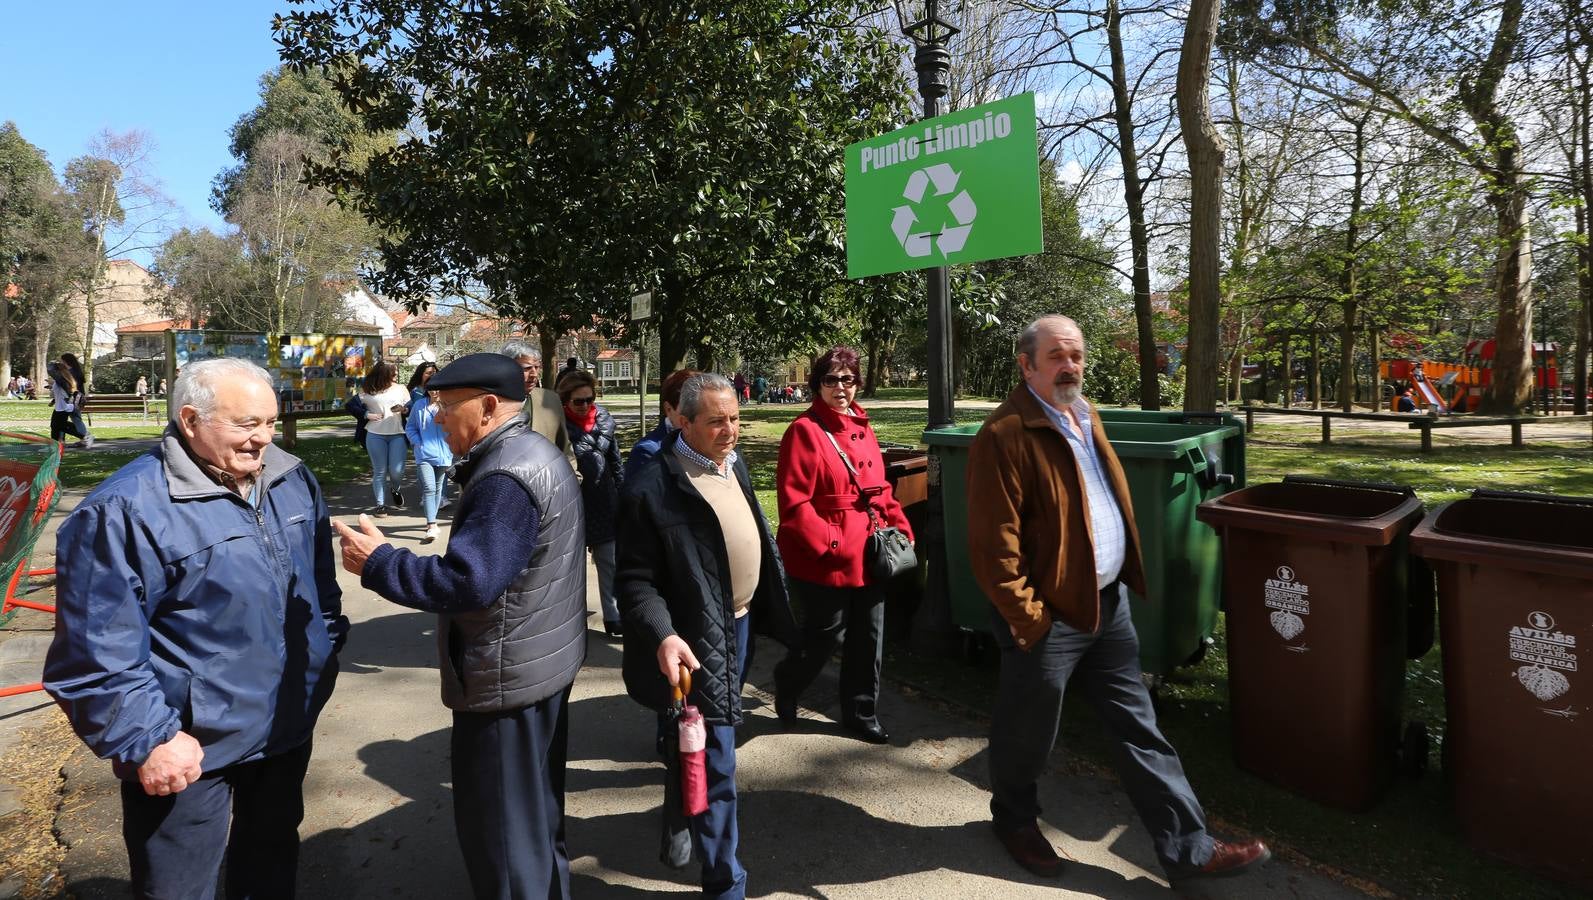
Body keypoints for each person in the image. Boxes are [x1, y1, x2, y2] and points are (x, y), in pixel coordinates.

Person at [966, 315, 1270, 886]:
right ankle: (1012, 819)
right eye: (1056, 356)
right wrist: (1031, 619)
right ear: (1026, 365)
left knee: (1139, 728)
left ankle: (1189, 848)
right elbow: (993, 549)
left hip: (1108, 606)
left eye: (1076, 355)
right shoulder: (1003, 434)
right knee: (1027, 731)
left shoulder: (1085, 414)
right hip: (1048, 617)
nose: (1070, 366)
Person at [44, 357, 348, 899]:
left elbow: (319, 592)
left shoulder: (291, 478)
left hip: (284, 727)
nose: (262, 440)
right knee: (179, 887)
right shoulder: (123, 510)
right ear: (190, 420)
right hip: (187, 748)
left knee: (271, 867)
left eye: (270, 422)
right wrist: (148, 738)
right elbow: (94, 652)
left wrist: (322, 661)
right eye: (246, 425)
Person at [333, 352, 586, 900]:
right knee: (535, 825)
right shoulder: (534, 452)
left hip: (505, 682)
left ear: (490, 407)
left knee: (503, 842)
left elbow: (468, 582)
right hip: (537, 668)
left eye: (446, 405)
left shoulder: (505, 477)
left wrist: (379, 562)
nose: (435, 416)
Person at [617, 372, 799, 900]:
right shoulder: (651, 486)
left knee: (696, 742)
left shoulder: (733, 464)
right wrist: (664, 633)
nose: (731, 430)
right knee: (716, 757)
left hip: (738, 627)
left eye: (736, 418)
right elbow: (635, 581)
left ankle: (680, 812)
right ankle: (725, 883)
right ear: (682, 420)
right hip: (695, 643)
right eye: (716, 421)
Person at [772, 346, 912, 744]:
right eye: (830, 379)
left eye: (848, 379)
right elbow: (794, 502)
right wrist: (831, 543)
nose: (840, 387)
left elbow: (879, 488)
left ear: (857, 384)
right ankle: (789, 679)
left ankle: (861, 711)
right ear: (818, 384)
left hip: (869, 548)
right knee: (825, 635)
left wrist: (900, 527)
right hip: (825, 552)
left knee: (869, 634)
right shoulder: (804, 430)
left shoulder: (864, 427)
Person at [554, 368, 625, 636]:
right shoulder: (557, 426)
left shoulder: (605, 422)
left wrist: (623, 493)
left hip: (605, 501)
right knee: (570, 566)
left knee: (610, 562)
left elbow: (615, 462)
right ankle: (569, 619)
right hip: (571, 503)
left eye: (589, 400)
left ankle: (614, 616)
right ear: (565, 401)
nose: (585, 406)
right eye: (578, 401)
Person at [623, 368, 699, 484]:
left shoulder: (712, 446)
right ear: (669, 409)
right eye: (689, 409)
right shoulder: (648, 452)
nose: (697, 417)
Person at [500, 341, 574, 458]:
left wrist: (574, 475)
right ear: (508, 368)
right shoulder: (491, 402)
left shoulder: (550, 400)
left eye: (537, 367)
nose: (534, 374)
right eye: (527, 368)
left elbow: (565, 448)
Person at [405, 365, 452, 544]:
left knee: (439, 490)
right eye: (431, 388)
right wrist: (418, 443)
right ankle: (431, 525)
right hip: (424, 455)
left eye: (438, 388)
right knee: (429, 488)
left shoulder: (448, 405)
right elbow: (410, 427)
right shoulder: (419, 405)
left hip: (444, 455)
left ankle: (433, 520)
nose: (435, 391)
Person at [357, 361, 410, 516]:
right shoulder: (368, 390)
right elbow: (352, 406)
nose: (396, 375)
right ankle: (380, 505)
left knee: (397, 471)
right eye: (392, 373)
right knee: (379, 471)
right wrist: (367, 415)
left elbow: (410, 407)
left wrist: (404, 410)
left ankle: (395, 488)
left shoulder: (401, 389)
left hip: (397, 434)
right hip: (374, 434)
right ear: (383, 374)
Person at [49, 359, 92, 448]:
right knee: (55, 426)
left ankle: (85, 436)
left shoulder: (62, 380)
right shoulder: (60, 380)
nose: (50, 372)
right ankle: (54, 447)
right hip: (60, 407)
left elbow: (67, 392)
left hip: (64, 407)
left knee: (61, 426)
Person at [61, 353, 94, 446]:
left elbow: (70, 386)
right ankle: (85, 437)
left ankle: (85, 437)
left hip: (71, 399)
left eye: (62, 361)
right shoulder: (77, 371)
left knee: (61, 421)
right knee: (75, 419)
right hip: (78, 399)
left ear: (66, 361)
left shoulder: (71, 373)